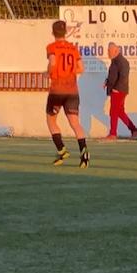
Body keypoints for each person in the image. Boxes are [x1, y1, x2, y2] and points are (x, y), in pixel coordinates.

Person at [46, 20, 89, 167]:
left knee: (51, 120)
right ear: (65, 33)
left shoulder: (51, 47)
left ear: (53, 33)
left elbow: (52, 63)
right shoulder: (73, 48)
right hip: (72, 90)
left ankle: (62, 150)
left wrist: (50, 73)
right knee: (75, 123)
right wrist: (70, 72)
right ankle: (84, 155)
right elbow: (81, 68)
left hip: (57, 90)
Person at [104, 42, 137, 140]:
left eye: (109, 51)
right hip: (117, 90)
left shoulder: (122, 61)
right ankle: (134, 130)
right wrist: (107, 82)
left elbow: (123, 77)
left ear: (116, 51)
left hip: (119, 90)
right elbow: (113, 76)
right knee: (119, 112)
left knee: (113, 112)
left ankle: (113, 133)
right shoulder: (115, 61)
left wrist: (116, 89)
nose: (107, 53)